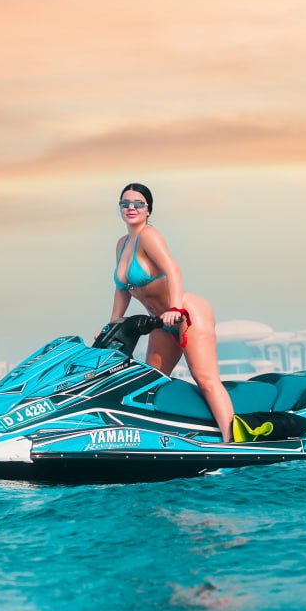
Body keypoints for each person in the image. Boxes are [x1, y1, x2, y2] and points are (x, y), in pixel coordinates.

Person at [108, 182, 237, 442]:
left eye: (138, 204)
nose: (131, 208)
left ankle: (231, 441)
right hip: (160, 323)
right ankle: (158, 437)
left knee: (206, 379)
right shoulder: (122, 244)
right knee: (150, 382)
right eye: (125, 203)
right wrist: (112, 324)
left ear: (148, 210)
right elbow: (123, 289)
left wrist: (176, 308)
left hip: (186, 313)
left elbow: (173, 270)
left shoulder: (148, 236)